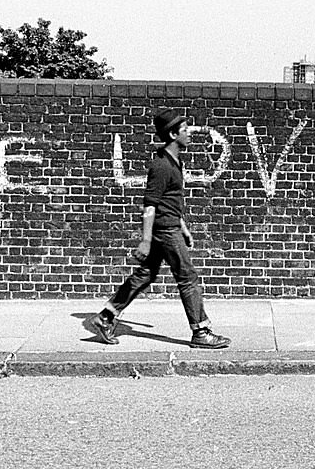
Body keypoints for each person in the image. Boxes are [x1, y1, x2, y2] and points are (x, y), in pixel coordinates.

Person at [85, 108, 231, 349]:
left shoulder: (175, 161)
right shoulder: (161, 166)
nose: (189, 134)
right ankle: (201, 331)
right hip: (164, 230)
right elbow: (150, 205)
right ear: (173, 134)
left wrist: (183, 226)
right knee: (187, 277)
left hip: (171, 225)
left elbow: (170, 200)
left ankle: (106, 317)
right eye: (184, 130)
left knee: (145, 274)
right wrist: (145, 240)